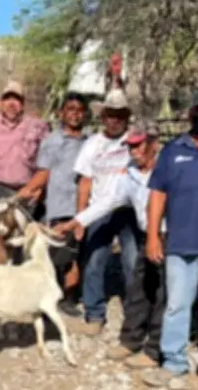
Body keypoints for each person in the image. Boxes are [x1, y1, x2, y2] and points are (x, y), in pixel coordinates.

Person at [54, 121, 161, 369]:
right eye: (131, 147)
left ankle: (159, 346)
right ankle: (132, 339)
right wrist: (75, 221)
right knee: (138, 281)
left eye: (138, 146)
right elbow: (108, 202)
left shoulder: (167, 169)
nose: (134, 152)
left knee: (164, 290)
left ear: (154, 145)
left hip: (169, 235)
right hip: (149, 234)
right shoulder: (131, 175)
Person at [71, 89, 138, 335]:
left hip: (128, 209)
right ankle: (94, 313)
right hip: (99, 208)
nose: (114, 120)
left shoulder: (134, 142)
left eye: (119, 115)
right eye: (110, 115)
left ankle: (135, 312)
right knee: (94, 260)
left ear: (126, 117)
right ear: (103, 117)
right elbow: (85, 182)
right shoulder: (92, 145)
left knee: (132, 261)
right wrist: (80, 218)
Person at [142, 101, 198, 390]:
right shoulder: (174, 151)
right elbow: (157, 195)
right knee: (177, 304)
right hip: (182, 242)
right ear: (192, 114)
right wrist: (153, 235)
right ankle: (174, 363)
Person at [17, 93, 88, 313]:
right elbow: (43, 173)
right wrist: (24, 192)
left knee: (79, 254)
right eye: (70, 109)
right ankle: (54, 297)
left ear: (85, 114)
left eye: (79, 110)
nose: (74, 114)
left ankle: (70, 298)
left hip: (86, 206)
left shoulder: (91, 142)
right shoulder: (52, 142)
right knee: (61, 254)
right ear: (61, 114)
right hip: (60, 204)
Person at [0, 81, 49, 215]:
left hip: (27, 190)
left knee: (24, 234)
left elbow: (49, 160)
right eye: (7, 99)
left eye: (16, 99)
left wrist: (42, 188)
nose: (11, 103)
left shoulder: (38, 126)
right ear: (1, 102)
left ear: (22, 103)